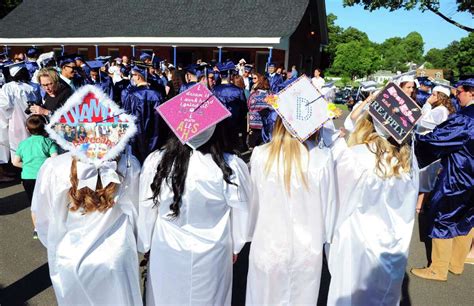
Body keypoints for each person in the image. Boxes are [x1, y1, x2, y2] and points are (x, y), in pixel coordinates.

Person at [31, 86, 143, 305]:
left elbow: (42, 218)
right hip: (115, 257)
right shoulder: (129, 165)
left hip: (68, 256)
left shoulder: (53, 167)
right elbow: (139, 215)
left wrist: (53, 243)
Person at [138, 121, 251, 306]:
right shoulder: (228, 166)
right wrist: (236, 244)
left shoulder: (158, 162)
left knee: (167, 297)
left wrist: (146, 242)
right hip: (214, 251)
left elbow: (147, 207)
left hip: (167, 246)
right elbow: (241, 211)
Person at [327, 109, 419, 305]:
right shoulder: (405, 162)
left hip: (357, 240)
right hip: (393, 244)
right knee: (382, 295)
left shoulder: (355, 157)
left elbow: (335, 201)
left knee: (352, 294)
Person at [246, 112, 336, 304]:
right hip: (307, 250)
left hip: (268, 244)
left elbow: (253, 203)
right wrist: (328, 242)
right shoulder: (321, 159)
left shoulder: (261, 155)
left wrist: (249, 234)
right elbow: (329, 210)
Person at [411, 78, 474, 281]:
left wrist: (414, 140)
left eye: (459, 91)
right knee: (467, 217)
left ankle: (438, 269)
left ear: (470, 92)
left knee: (442, 215)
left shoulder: (466, 119)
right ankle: (456, 264)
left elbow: (438, 139)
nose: (457, 95)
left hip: (459, 176)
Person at [12, 115, 58, 238]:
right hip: (45, 177)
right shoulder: (49, 142)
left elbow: (15, 162)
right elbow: (55, 159)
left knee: (34, 204)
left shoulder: (23, 144)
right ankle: (51, 226)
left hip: (28, 177)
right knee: (49, 201)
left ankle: (37, 229)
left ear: (27, 129)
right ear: (45, 128)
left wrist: (26, 166)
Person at [415, 86, 456, 213]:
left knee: (426, 176)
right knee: (426, 176)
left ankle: (419, 206)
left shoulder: (440, 110)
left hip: (430, 148)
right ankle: (420, 205)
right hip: (431, 147)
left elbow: (422, 122)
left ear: (440, 96)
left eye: (433, 94)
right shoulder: (441, 109)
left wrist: (427, 104)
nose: (430, 97)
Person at [121, 65, 164, 163]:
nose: (132, 78)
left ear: (138, 77)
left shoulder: (132, 95)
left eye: (133, 76)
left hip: (137, 138)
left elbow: (127, 117)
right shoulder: (158, 95)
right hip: (155, 138)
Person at [0, 62, 42, 159]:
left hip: (16, 121)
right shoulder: (34, 86)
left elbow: (4, 106)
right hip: (34, 119)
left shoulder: (8, 87)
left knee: (18, 146)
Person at [213, 61, 248, 152]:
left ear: (220, 76)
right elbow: (244, 109)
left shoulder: (214, 90)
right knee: (232, 148)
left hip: (219, 124)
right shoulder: (238, 90)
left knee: (220, 148)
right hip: (234, 124)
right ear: (231, 76)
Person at [247, 73, 271, 148]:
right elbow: (274, 108)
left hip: (254, 121)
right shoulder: (271, 95)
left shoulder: (253, 95)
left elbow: (248, 105)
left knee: (253, 139)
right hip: (266, 122)